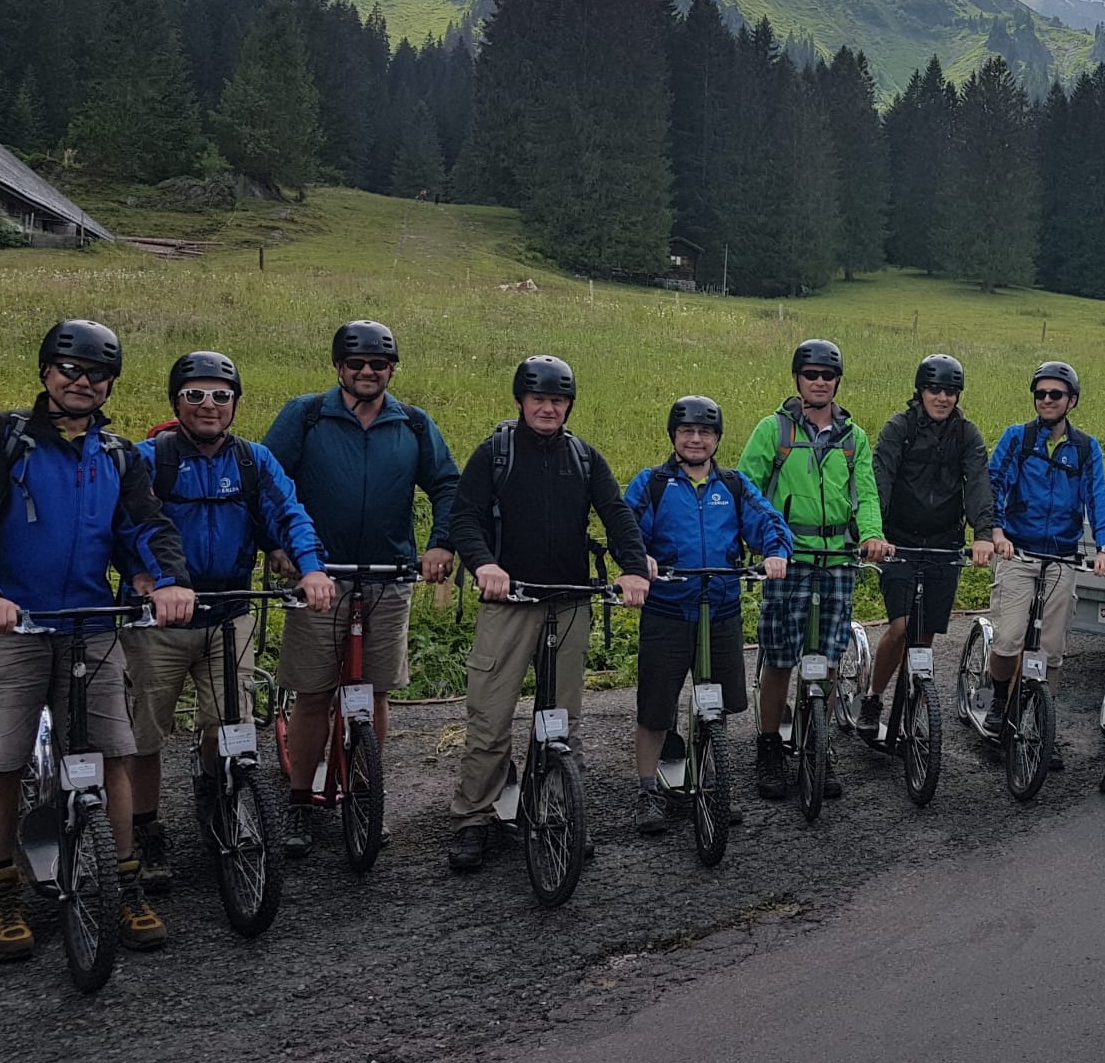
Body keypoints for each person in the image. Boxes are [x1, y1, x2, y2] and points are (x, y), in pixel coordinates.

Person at [0, 320, 195, 960]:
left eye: (97, 373)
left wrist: (164, 581)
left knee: (113, 755)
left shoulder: (117, 455)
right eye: (70, 369)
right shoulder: (4, 438)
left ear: (110, 383)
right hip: (13, 623)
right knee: (0, 761)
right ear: (47, 372)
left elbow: (145, 526)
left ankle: (121, 880)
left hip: (90, 622)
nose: (82, 382)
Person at [122, 352, 335, 891]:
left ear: (236, 402)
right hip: (159, 622)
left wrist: (309, 568)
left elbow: (290, 513)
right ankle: (146, 829)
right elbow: (120, 524)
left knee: (230, 724)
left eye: (221, 394)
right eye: (195, 394)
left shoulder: (253, 460)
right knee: (144, 734)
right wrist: (144, 575)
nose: (209, 405)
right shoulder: (149, 459)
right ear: (177, 402)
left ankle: (219, 794)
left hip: (229, 612)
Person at [444, 356, 651, 870]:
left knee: (561, 720)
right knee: (490, 720)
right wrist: (484, 564)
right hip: (509, 603)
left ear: (569, 406)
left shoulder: (584, 458)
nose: (548, 407)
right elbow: (463, 518)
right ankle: (473, 818)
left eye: (558, 400)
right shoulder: (495, 453)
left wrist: (633, 569)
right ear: (520, 402)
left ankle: (560, 809)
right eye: (539, 398)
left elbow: (617, 514)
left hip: (569, 600)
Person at [263, 320, 460, 858]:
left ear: (392, 370)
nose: (367, 372)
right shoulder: (306, 415)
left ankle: (364, 789)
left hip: (388, 575)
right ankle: (300, 799)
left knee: (373, 692)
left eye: (379, 364)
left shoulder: (414, 424)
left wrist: (441, 544)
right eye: (356, 364)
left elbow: (447, 485)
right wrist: (278, 546)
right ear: (338, 367)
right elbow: (267, 482)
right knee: (314, 693)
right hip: (319, 575)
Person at [625, 396, 792, 834]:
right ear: (674, 436)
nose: (696, 439)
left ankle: (711, 783)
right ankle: (647, 789)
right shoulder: (653, 484)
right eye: (687, 432)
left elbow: (768, 522)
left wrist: (775, 552)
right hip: (668, 607)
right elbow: (627, 530)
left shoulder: (732, 486)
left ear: (716, 438)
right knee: (656, 707)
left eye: (705, 432)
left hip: (719, 607)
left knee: (717, 701)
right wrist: (638, 559)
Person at [737, 340, 891, 803]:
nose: (819, 381)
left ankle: (816, 743)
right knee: (781, 657)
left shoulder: (853, 437)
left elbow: (865, 493)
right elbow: (748, 489)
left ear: (837, 381)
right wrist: (764, 544)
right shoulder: (774, 430)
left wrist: (872, 536)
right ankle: (769, 745)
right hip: (789, 560)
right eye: (811, 374)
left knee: (824, 657)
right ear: (797, 379)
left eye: (827, 375)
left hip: (838, 560)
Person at [860, 354, 994, 745]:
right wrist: (872, 533)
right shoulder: (898, 428)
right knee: (901, 627)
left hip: (943, 544)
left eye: (951, 391)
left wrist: (982, 533)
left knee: (924, 635)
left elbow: (978, 483)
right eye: (935, 389)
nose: (943, 397)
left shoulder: (967, 434)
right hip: (897, 541)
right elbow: (879, 478)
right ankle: (873, 698)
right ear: (921, 390)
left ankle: (913, 704)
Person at [986, 361, 1105, 768]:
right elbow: (994, 486)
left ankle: (1042, 723)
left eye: (1055, 395)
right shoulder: (1017, 438)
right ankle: (996, 694)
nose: (1045, 400)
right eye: (1040, 394)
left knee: (1051, 652)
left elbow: (1096, 498)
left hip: (1061, 558)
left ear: (1071, 401)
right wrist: (996, 533)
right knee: (1008, 642)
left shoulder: (1084, 447)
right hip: (1018, 553)